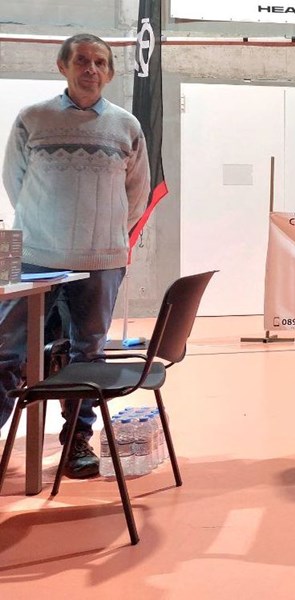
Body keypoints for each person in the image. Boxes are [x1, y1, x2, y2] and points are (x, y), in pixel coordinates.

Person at [1, 33, 150, 477]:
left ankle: (76, 442)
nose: (91, 69)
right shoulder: (33, 118)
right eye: (82, 60)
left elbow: (136, 195)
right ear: (62, 66)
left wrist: (103, 234)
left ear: (110, 72)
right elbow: (14, 181)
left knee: (88, 356)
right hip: (32, 258)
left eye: (100, 62)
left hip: (101, 261)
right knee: (7, 352)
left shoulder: (126, 126)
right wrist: (45, 230)